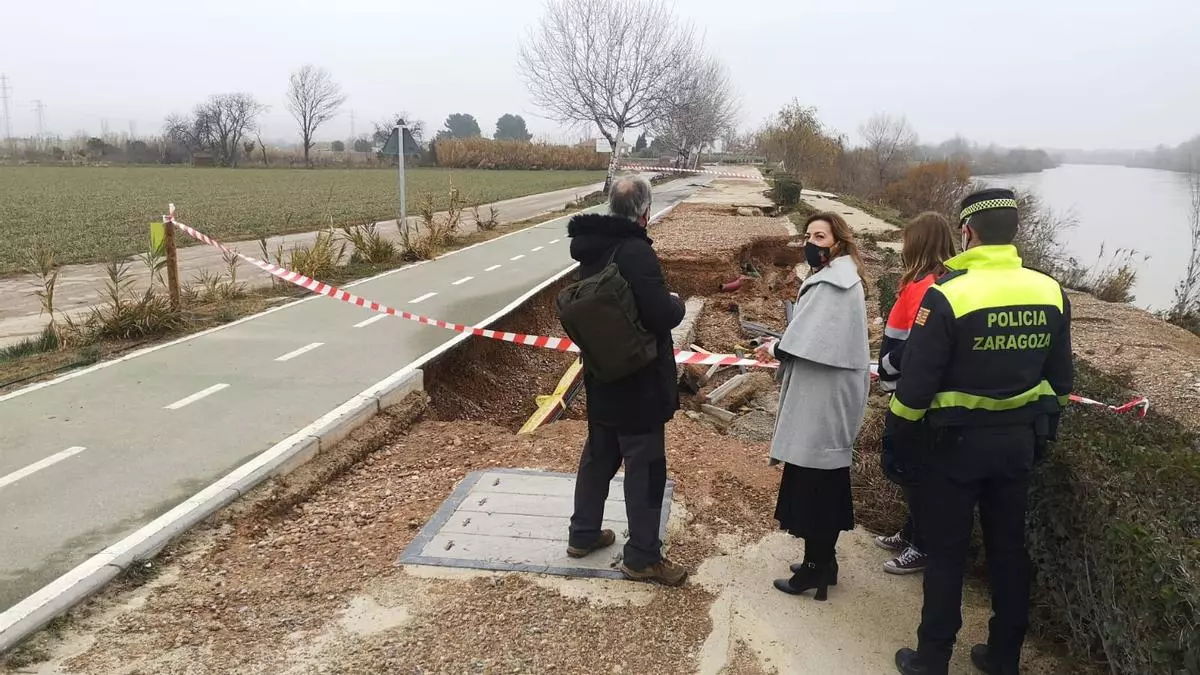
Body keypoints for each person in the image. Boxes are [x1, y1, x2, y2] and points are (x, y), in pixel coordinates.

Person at [891, 189, 1073, 675]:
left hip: (953, 449)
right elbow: (1061, 383)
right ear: (1014, 231)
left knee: (947, 553)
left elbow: (915, 387)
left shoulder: (949, 293)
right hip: (1017, 446)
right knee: (1009, 552)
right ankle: (1003, 656)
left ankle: (932, 658)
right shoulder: (1049, 291)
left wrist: (898, 439)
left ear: (968, 232)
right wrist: (1042, 434)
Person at [563, 175, 689, 586]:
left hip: (602, 374)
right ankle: (643, 557)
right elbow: (659, 314)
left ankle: (583, 534)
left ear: (611, 208)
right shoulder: (635, 251)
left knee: (599, 455)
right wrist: (676, 305)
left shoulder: (591, 248)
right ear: (645, 212)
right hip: (640, 381)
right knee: (645, 468)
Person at [754, 212, 870, 601]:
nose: (811, 243)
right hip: (824, 397)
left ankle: (815, 569)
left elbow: (808, 340)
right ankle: (824, 563)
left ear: (839, 241)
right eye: (808, 236)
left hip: (823, 401)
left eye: (820, 236)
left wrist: (775, 347)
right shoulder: (839, 278)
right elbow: (814, 337)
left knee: (816, 486)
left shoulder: (834, 284)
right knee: (820, 480)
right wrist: (782, 346)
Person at [876, 212, 959, 576]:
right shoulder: (928, 280)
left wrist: (889, 366)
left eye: (907, 241)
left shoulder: (927, 286)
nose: (902, 248)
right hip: (912, 388)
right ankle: (912, 532)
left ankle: (922, 545)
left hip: (914, 395)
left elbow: (919, 344)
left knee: (916, 473)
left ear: (919, 243)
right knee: (916, 470)